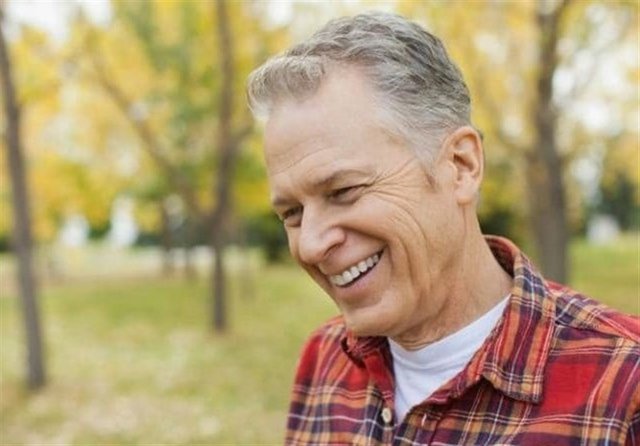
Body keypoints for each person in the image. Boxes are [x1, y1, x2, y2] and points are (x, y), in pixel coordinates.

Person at [247, 12, 640, 445]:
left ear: (460, 166)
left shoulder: (624, 384)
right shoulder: (324, 361)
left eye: (343, 191)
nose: (311, 244)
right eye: (292, 213)